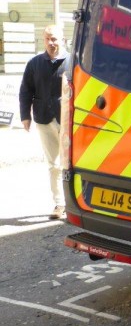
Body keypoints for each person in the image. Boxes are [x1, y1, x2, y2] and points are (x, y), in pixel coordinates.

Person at [19, 25, 69, 220]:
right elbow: (26, 90)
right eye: (48, 39)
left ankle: (74, 202)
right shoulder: (34, 63)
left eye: (54, 38)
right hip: (43, 119)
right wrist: (25, 115)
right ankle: (59, 203)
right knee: (53, 164)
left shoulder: (72, 62)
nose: (51, 42)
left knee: (70, 163)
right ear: (43, 40)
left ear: (62, 39)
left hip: (67, 119)